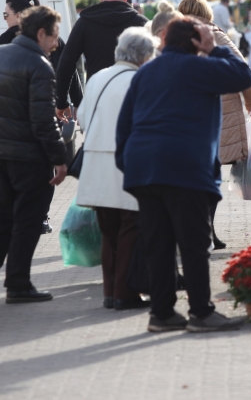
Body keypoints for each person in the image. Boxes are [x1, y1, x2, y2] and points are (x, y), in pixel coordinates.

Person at [116, 17, 251, 333]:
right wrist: (214, 49)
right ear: (196, 43)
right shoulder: (199, 68)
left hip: (144, 169)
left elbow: (124, 125)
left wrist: (130, 164)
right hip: (183, 168)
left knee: (159, 243)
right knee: (194, 243)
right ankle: (202, 313)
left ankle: (162, 313)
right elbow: (243, 75)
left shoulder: (145, 72)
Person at [0, 5, 68, 304]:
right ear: (41, 33)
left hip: (1, 154)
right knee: (28, 221)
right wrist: (59, 158)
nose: (56, 43)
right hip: (30, 158)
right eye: (54, 36)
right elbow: (43, 120)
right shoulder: (40, 66)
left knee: (0, 217)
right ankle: (18, 283)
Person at [77, 28, 155, 311]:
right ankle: (124, 293)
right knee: (130, 227)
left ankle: (110, 292)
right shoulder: (142, 79)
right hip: (127, 162)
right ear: (145, 55)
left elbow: (82, 117)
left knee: (108, 231)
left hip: (96, 162)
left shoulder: (98, 76)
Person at [178, 0, 251, 250]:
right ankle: (207, 231)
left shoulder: (174, 36)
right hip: (218, 116)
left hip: (183, 117)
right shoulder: (216, 35)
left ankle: (188, 233)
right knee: (210, 177)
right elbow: (243, 70)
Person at [55, 0, 148, 124]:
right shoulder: (141, 23)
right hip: (133, 99)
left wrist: (62, 102)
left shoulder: (85, 23)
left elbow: (66, 63)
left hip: (97, 98)